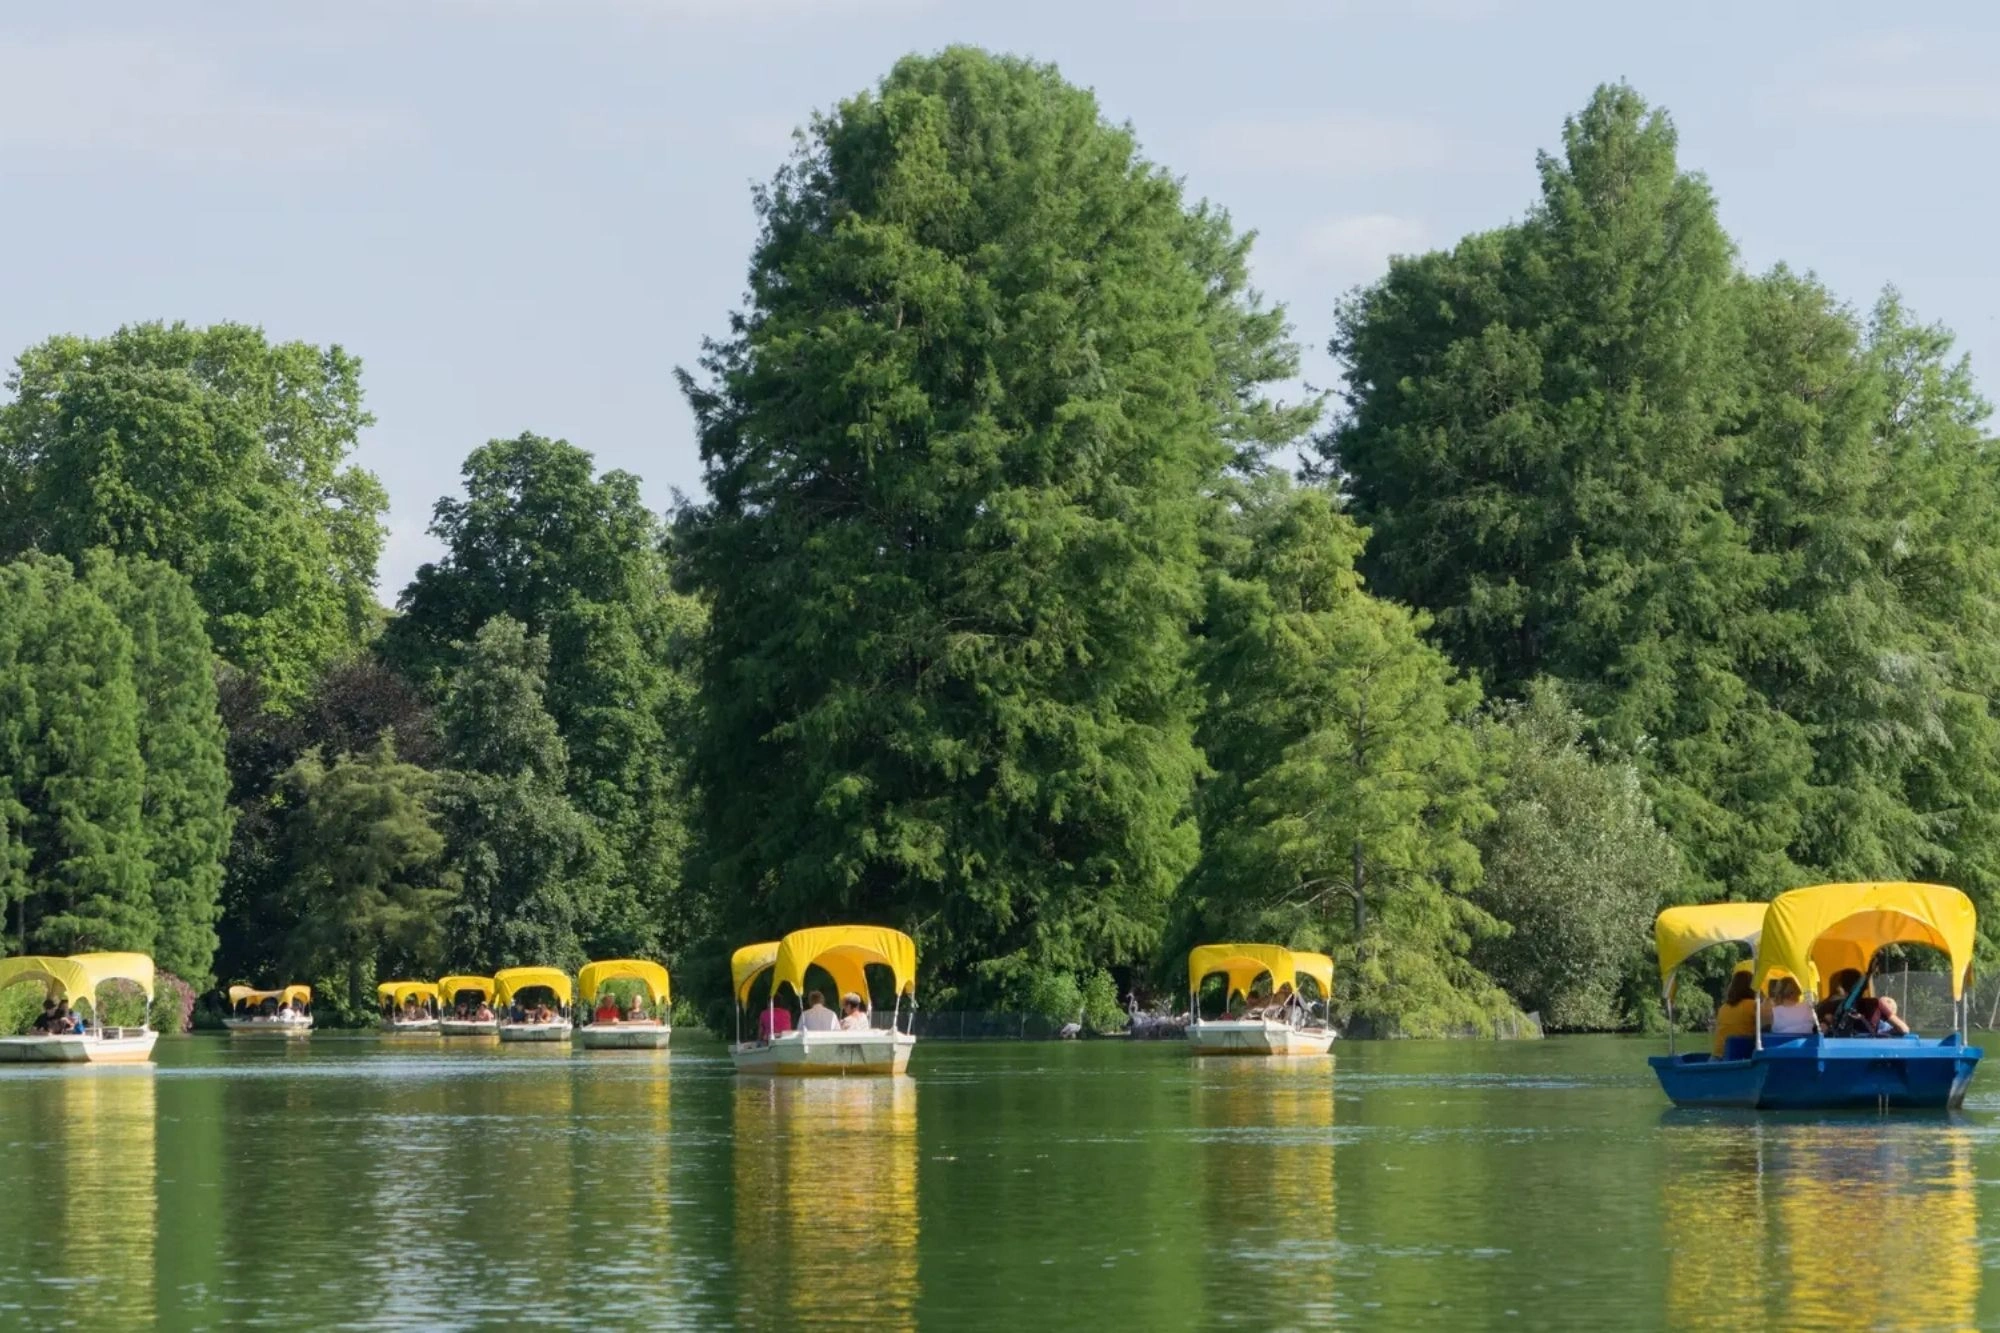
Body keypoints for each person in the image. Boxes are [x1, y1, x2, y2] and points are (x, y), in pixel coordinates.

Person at [1816, 969, 1909, 1036]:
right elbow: (1904, 1029)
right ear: (1865, 988)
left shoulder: (1829, 1005)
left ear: (1841, 986)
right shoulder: (1873, 1005)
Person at [1711, 963, 1767, 1057]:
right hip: (1739, 1056)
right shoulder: (1753, 1005)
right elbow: (1767, 1026)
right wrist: (1764, 998)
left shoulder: (1723, 1007)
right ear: (1751, 987)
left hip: (1717, 1056)